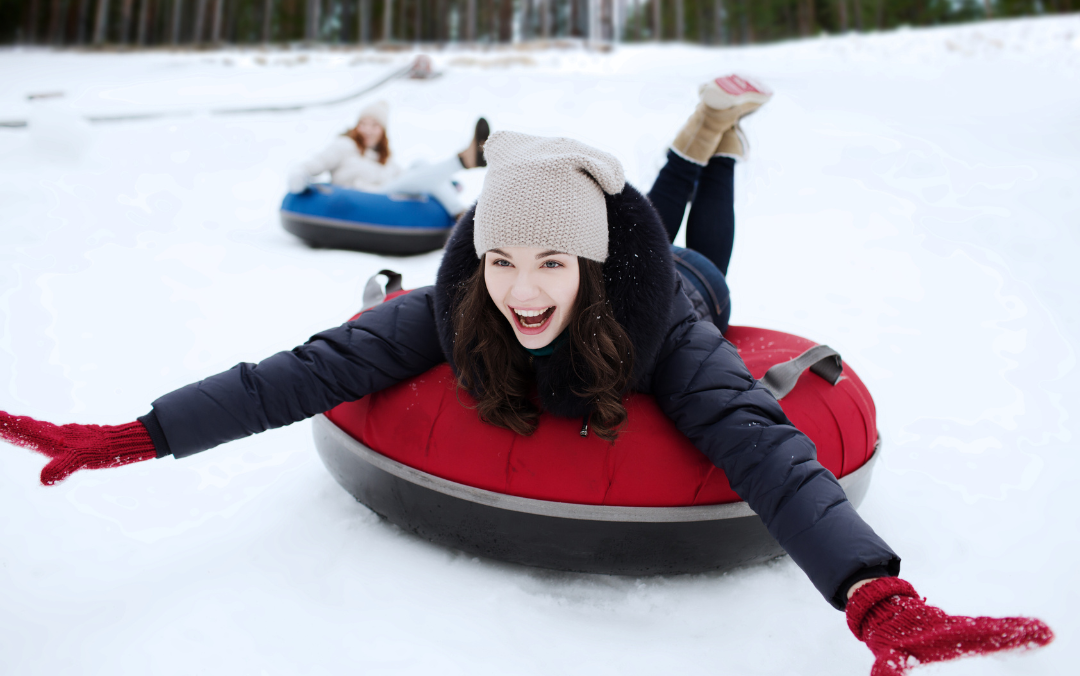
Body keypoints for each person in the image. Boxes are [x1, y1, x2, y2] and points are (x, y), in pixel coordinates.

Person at [0, 76, 1053, 675]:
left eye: (549, 264)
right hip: (618, 244)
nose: (522, 288)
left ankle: (716, 144)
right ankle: (701, 134)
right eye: (504, 261)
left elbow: (765, 448)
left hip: (677, 286)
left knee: (709, 257)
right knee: (606, 246)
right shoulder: (463, 303)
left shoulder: (670, 340)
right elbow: (308, 371)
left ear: (588, 266)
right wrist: (137, 434)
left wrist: (872, 591)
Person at [287, 101, 489, 217]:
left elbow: (406, 179)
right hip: (361, 199)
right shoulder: (344, 146)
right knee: (413, 176)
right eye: (363, 124)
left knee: (420, 164)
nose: (367, 130)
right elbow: (314, 164)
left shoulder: (385, 157)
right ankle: (462, 161)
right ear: (356, 126)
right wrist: (299, 176)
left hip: (387, 198)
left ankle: (458, 213)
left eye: (374, 125)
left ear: (382, 131)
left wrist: (438, 182)